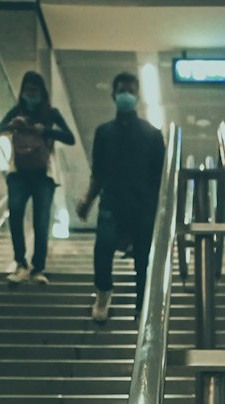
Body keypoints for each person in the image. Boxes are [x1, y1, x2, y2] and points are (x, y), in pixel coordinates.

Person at [76, 71, 165, 323]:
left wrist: (163, 212)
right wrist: (87, 200)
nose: (126, 95)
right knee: (102, 249)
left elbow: (159, 179)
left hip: (143, 205)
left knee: (144, 258)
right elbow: (99, 173)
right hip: (112, 202)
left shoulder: (153, 135)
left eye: (131, 90)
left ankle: (142, 305)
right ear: (113, 95)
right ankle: (103, 293)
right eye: (122, 90)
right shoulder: (103, 133)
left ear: (137, 96)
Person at [0, 72, 75, 285]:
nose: (31, 95)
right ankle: (21, 263)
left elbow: (70, 138)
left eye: (35, 91)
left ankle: (38, 267)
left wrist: (46, 131)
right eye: (27, 91)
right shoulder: (16, 111)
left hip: (43, 175)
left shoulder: (51, 113)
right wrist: (12, 126)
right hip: (18, 174)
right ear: (22, 92)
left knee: (41, 220)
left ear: (42, 93)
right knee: (16, 213)